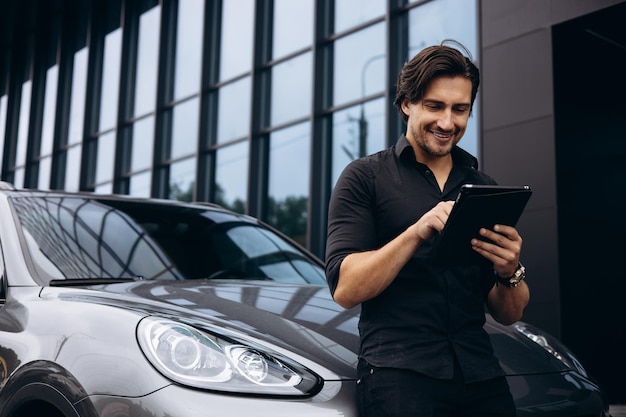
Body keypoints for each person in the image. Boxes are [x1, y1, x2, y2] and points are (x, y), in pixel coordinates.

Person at [325, 40, 530, 417]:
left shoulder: (483, 187)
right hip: (399, 375)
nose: (447, 122)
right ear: (407, 104)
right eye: (434, 106)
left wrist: (509, 271)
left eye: (460, 109)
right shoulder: (364, 178)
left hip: (480, 374)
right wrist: (416, 231)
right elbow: (346, 289)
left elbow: (508, 313)